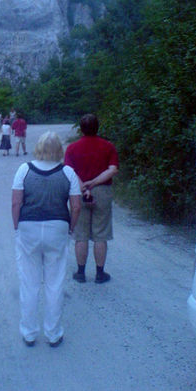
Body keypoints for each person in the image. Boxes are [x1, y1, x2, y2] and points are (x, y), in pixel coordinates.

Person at [12, 131, 81, 347]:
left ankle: (29, 333)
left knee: (29, 282)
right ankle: (53, 333)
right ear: (59, 150)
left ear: (39, 148)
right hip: (58, 228)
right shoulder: (68, 173)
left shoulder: (24, 170)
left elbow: (16, 203)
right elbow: (76, 206)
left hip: (28, 228)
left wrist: (17, 226)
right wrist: (70, 227)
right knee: (54, 282)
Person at [64, 114, 118, 284]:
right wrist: (93, 183)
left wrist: (83, 187)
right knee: (100, 234)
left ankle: (80, 273)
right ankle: (100, 274)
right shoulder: (108, 146)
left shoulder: (72, 148)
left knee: (81, 234)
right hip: (102, 191)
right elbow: (113, 170)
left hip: (79, 191)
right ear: (97, 127)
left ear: (81, 129)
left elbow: (69, 171)